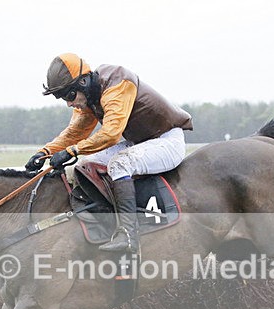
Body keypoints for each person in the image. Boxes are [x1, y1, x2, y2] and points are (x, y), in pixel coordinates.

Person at [25, 53, 193, 253]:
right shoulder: (89, 97)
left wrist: (71, 151)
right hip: (139, 142)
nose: (69, 104)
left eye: (69, 96)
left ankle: (129, 235)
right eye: (63, 98)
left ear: (84, 82)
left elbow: (112, 134)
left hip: (167, 141)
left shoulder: (117, 82)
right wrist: (44, 152)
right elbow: (75, 133)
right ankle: (106, 219)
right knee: (84, 165)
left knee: (119, 164)